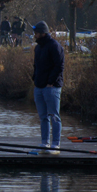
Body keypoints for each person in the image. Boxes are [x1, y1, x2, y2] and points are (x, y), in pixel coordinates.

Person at [32, 21, 64, 154]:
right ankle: (45, 142)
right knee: (43, 117)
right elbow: (36, 66)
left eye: (37, 33)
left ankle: (55, 144)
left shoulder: (54, 46)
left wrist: (50, 82)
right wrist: (35, 79)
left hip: (51, 87)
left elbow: (59, 66)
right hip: (38, 87)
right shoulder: (38, 48)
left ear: (43, 33)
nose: (35, 35)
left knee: (54, 116)